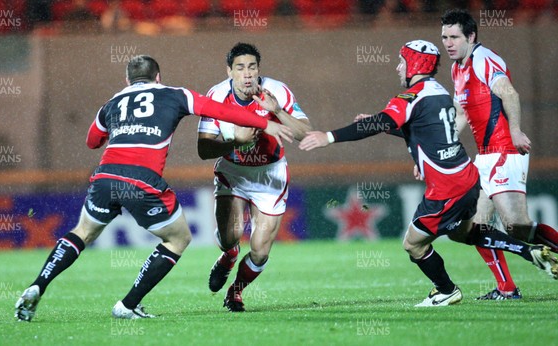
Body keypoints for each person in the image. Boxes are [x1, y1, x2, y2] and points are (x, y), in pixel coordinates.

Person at [14, 55, 293, 321]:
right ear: (158, 77)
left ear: (128, 80)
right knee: (178, 239)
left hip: (105, 176)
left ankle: (38, 284)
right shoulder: (175, 94)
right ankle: (127, 304)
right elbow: (219, 109)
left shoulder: (113, 101)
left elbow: (92, 140)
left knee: (82, 232)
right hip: (142, 180)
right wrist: (265, 123)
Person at [299, 40, 558, 306]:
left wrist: (328, 136)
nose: (397, 67)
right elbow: (423, 131)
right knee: (463, 233)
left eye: (402, 61)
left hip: (447, 187)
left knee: (413, 244)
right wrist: (379, 121)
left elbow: (386, 122)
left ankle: (446, 290)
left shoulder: (413, 95)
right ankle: (529, 252)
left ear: (414, 63)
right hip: (467, 178)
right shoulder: (439, 93)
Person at [440, 9, 558, 300]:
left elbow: (510, 94)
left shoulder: (484, 59)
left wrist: (516, 130)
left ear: (471, 36)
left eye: (454, 37)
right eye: (444, 37)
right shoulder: (457, 68)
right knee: (474, 227)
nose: (448, 43)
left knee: (516, 227)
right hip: (484, 157)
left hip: (505, 150)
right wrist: (444, 146)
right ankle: (506, 288)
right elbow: (462, 115)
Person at [197, 43, 312, 312]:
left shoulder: (277, 91)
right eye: (240, 68)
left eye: (252, 67)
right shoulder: (216, 95)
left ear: (259, 70)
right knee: (230, 237)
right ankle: (230, 254)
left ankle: (235, 291)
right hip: (234, 173)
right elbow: (204, 149)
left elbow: (305, 133)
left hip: (269, 175)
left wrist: (279, 112)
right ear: (230, 71)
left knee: (260, 252)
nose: (247, 74)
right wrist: (235, 142)